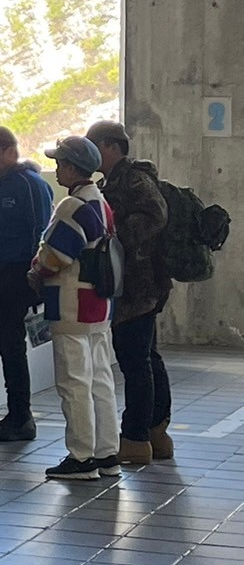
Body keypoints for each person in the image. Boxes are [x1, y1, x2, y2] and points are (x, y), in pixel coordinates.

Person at [29, 135, 120, 480]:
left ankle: (81, 457)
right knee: (100, 380)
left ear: (71, 167)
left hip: (71, 304)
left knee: (74, 381)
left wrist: (36, 269)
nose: (56, 169)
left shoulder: (72, 205)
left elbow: (55, 256)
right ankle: (107, 453)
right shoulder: (102, 202)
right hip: (99, 304)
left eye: (59, 163)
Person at [86, 119, 173, 465]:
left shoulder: (133, 179)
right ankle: (155, 431)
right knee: (146, 357)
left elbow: (156, 215)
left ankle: (136, 437)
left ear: (111, 146)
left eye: (95, 146)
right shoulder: (113, 182)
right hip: (135, 284)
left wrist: (115, 235)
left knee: (135, 361)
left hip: (139, 286)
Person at [0, 125, 54, 443]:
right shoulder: (1, 186)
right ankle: (16, 413)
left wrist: (35, 276)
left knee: (13, 347)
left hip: (20, 272)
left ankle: (21, 417)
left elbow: (39, 231)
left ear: (10, 151)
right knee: (7, 347)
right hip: (3, 271)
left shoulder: (29, 184)